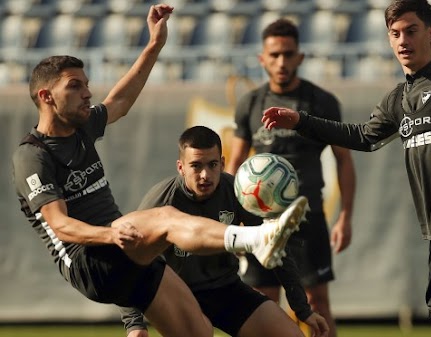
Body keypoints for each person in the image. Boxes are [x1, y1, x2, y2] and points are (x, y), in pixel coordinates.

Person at [11, 5, 308, 337]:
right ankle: (256, 239)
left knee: (199, 333)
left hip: (129, 253)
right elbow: (60, 225)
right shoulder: (31, 155)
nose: (87, 93)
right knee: (166, 216)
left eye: (86, 84)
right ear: (46, 96)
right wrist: (110, 235)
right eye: (75, 86)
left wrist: (154, 44)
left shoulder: (81, 128)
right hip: (89, 260)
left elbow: (120, 101)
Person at [261, 1, 431, 336]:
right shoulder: (396, 100)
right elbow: (362, 137)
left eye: (411, 31)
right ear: (388, 40)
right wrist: (301, 121)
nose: (403, 40)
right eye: (395, 33)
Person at [120, 126, 328, 337]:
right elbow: (127, 261)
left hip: (226, 289)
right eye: (195, 166)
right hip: (177, 295)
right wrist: (134, 325)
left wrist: (302, 309)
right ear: (181, 167)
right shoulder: (161, 201)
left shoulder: (239, 191)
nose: (205, 175)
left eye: (212, 165)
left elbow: (276, 246)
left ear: (222, 163)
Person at [225, 18, 356, 337]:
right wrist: (230, 216)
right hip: (260, 223)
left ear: (299, 56)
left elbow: (344, 159)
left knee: (316, 302)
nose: (281, 62)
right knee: (264, 303)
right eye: (274, 55)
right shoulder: (250, 103)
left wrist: (345, 218)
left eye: (288, 54)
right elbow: (235, 163)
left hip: (306, 217)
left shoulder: (322, 102)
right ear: (262, 59)